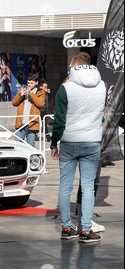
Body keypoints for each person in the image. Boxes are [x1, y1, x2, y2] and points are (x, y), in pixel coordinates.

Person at [51, 52, 106, 243]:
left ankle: (67, 228)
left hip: (68, 142)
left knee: (65, 186)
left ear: (73, 67)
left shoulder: (65, 88)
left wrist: (53, 143)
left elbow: (59, 120)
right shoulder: (102, 85)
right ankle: (85, 230)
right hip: (92, 142)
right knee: (88, 187)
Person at [11, 73, 45, 147]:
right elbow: (14, 103)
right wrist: (20, 95)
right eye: (28, 83)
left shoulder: (41, 92)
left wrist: (31, 94)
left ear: (36, 83)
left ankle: (31, 158)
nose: (29, 85)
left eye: (31, 83)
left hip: (32, 123)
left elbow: (41, 104)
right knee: (17, 145)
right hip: (21, 123)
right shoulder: (22, 90)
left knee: (30, 145)